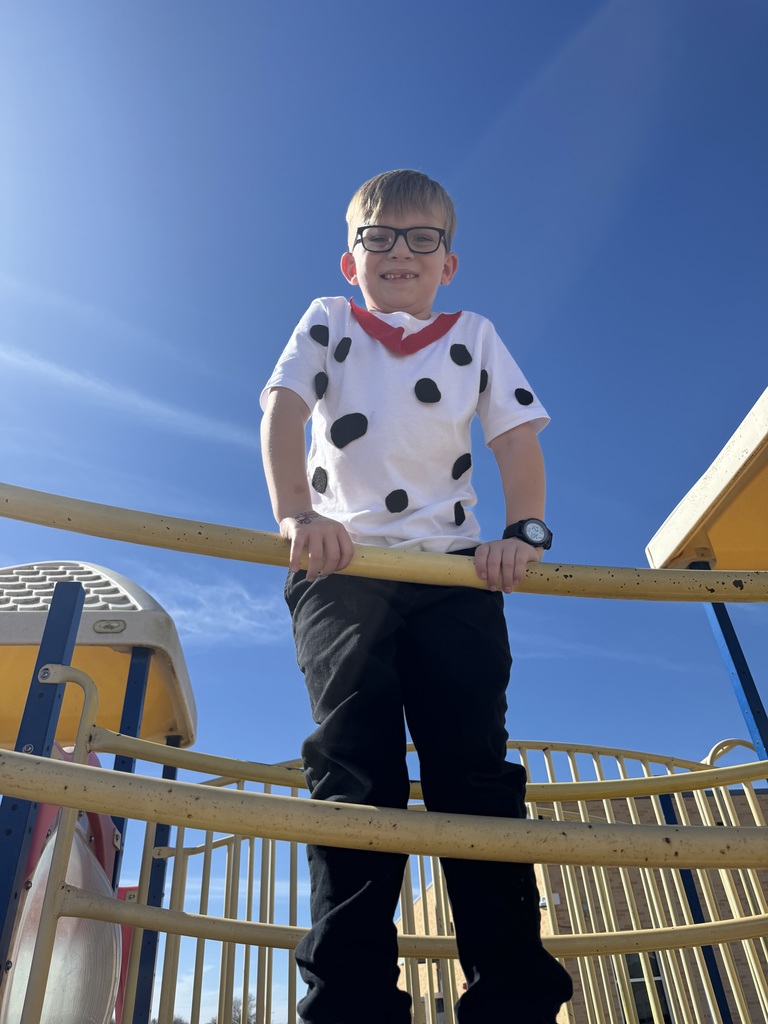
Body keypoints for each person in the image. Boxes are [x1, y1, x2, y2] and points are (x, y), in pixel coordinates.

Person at [260, 169, 573, 1024]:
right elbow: (283, 409)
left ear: (450, 261)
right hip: (342, 565)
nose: (399, 252)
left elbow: (514, 434)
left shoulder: (471, 333)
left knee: (472, 770)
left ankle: (512, 992)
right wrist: (298, 514)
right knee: (356, 770)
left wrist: (526, 531)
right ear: (349, 256)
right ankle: (350, 1000)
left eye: (420, 239)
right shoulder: (328, 320)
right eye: (380, 238)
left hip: (452, 575)